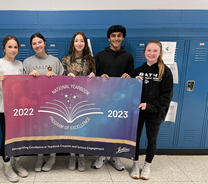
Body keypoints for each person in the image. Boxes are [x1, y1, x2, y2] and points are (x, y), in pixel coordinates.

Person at [0, 35, 28, 182]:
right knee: (7, 136)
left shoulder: (20, 64)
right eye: (9, 47)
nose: (13, 50)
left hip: (18, 109)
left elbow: (24, 86)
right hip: (4, 109)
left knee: (18, 136)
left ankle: (16, 162)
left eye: (15, 47)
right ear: (3, 48)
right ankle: (7, 165)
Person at [93, 25, 134, 171]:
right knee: (103, 127)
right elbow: (93, 78)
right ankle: (102, 155)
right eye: (113, 35)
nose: (116, 38)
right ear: (109, 38)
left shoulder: (128, 56)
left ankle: (116, 156)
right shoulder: (99, 55)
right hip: (103, 98)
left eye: (119, 35)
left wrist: (128, 76)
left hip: (121, 99)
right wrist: (100, 77)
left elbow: (132, 79)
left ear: (123, 38)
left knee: (117, 127)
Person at [130, 40, 173, 180]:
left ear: (160, 53)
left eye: (155, 51)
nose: (151, 53)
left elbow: (166, 97)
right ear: (144, 52)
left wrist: (150, 106)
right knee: (134, 139)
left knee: (151, 140)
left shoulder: (165, 72)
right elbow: (130, 94)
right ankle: (135, 164)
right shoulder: (138, 71)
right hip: (138, 113)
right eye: (149, 50)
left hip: (155, 113)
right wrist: (134, 83)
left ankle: (147, 166)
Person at [23, 32, 64, 172]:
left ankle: (52, 157)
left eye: (39, 42)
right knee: (38, 130)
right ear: (31, 46)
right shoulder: (27, 62)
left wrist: (55, 77)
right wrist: (28, 77)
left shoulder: (55, 61)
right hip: (34, 104)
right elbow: (21, 85)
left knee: (52, 130)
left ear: (45, 43)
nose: (37, 45)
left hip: (53, 103)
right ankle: (40, 157)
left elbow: (64, 83)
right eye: (34, 43)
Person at [61, 31, 95, 172]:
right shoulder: (65, 60)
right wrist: (65, 76)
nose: (79, 43)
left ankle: (81, 157)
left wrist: (94, 76)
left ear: (85, 43)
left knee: (82, 128)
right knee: (70, 129)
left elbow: (97, 82)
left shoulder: (91, 60)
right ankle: (72, 156)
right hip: (68, 100)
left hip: (85, 100)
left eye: (82, 41)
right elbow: (57, 80)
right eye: (76, 41)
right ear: (72, 43)